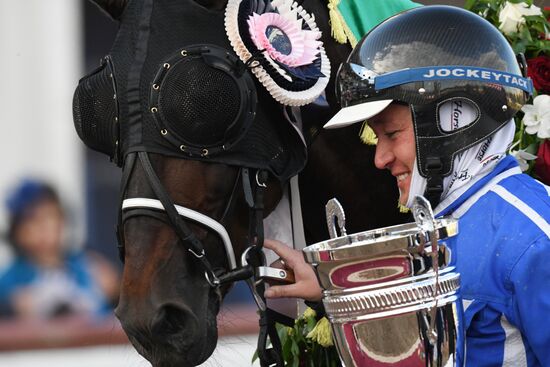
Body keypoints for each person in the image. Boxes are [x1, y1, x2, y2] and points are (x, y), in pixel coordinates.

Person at [263, 5, 550, 367]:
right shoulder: (443, 224)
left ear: (453, 119)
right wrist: (328, 289)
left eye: (391, 134)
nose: (379, 159)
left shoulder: (534, 237)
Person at [0, 179, 119, 319]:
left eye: (52, 216)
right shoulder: (8, 281)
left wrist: (116, 292)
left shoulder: (89, 266)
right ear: (17, 231)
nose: (47, 226)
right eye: (35, 220)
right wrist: (11, 308)